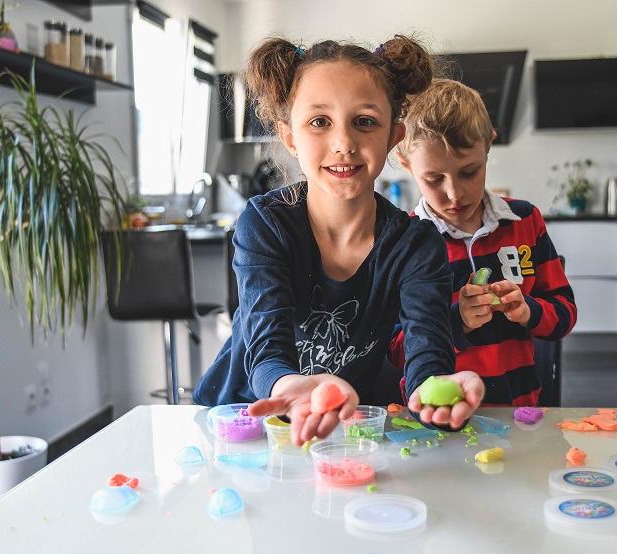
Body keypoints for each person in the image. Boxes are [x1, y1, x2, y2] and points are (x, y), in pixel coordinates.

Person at [193, 37, 485, 445]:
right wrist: (291, 388)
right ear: (289, 136)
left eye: (365, 121)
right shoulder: (265, 224)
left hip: (342, 427)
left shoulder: (416, 246)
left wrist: (435, 392)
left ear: (394, 135)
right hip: (246, 422)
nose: (344, 143)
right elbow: (267, 346)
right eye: (319, 122)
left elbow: (426, 354)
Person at [393, 78, 576, 406]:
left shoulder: (524, 221)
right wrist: (455, 320)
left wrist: (527, 310)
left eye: (469, 172)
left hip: (519, 406)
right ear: (406, 165)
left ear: (488, 146)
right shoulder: (405, 241)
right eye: (434, 179)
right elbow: (395, 349)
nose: (454, 193)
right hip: (438, 415)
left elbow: (564, 313)